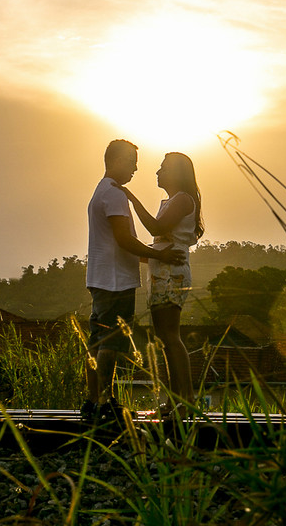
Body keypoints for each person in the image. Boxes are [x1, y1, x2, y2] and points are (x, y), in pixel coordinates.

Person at [84, 139, 183, 423]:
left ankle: (93, 401)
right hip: (115, 280)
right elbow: (124, 239)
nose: (136, 168)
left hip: (101, 276)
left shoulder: (101, 191)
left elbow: (120, 242)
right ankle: (104, 403)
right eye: (131, 161)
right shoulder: (115, 194)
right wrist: (159, 256)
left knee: (97, 341)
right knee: (110, 343)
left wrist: (150, 257)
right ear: (115, 160)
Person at [122, 152, 203, 414]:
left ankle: (186, 400)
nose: (158, 172)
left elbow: (157, 230)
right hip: (161, 274)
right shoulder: (172, 201)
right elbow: (160, 241)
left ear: (177, 173)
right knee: (165, 338)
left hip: (171, 275)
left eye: (164, 168)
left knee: (170, 336)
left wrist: (133, 200)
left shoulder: (182, 199)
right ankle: (174, 401)